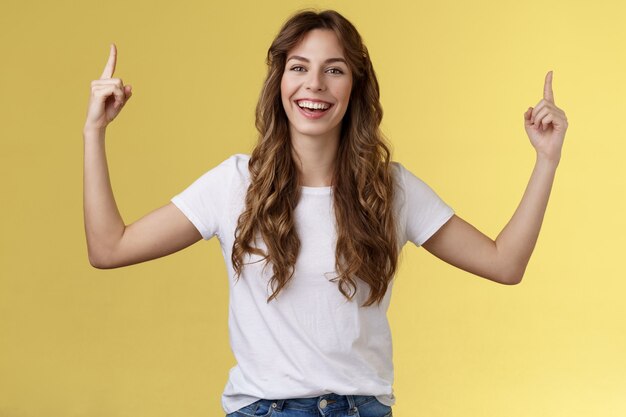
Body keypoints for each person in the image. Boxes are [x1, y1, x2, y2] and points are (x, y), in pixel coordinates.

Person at [82, 9, 568, 417]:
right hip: (264, 409)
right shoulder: (234, 184)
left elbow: (505, 264)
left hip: (364, 408)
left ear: (355, 86)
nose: (313, 84)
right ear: (279, 80)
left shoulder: (390, 190)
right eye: (299, 67)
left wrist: (547, 159)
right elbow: (109, 248)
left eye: (334, 69)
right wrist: (94, 134)